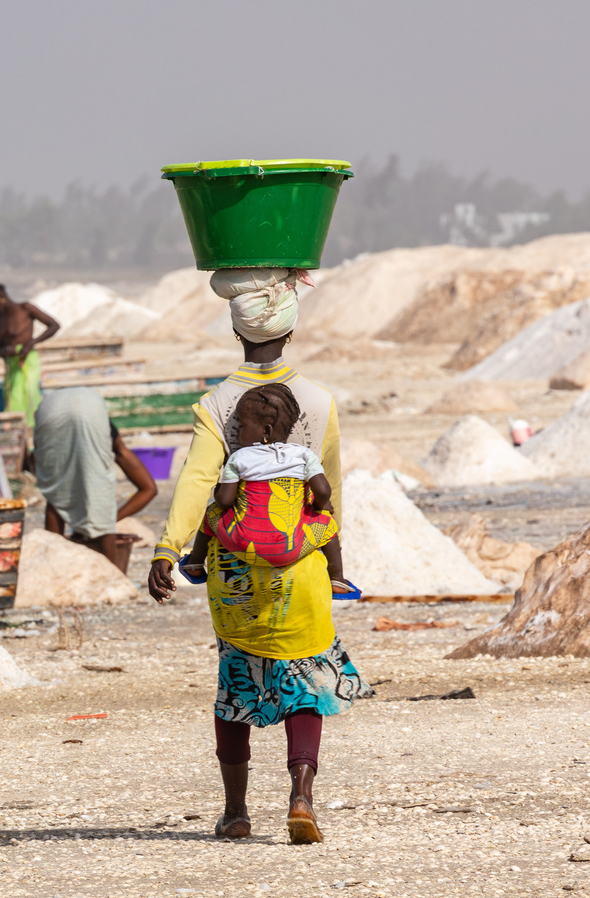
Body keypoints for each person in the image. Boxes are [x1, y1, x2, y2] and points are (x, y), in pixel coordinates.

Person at [146, 268, 369, 845]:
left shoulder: (218, 404)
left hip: (236, 572)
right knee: (305, 677)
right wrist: (330, 551)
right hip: (301, 568)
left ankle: (237, 811)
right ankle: (301, 797)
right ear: (291, 332)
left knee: (236, 683)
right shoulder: (319, 402)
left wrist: (169, 549)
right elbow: (333, 491)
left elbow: (198, 482)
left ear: (235, 328)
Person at [179, 382, 350, 593]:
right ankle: (337, 579)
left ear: (266, 431)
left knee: (211, 513)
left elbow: (224, 502)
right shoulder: (304, 455)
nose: (238, 431)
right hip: (290, 548)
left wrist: (218, 490)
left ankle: (195, 563)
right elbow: (324, 490)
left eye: (242, 425)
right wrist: (319, 507)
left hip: (244, 546)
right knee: (327, 525)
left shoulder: (239, 457)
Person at [32, 387, 158, 573]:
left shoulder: (103, 432)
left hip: (49, 409)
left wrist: (108, 519)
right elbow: (149, 488)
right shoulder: (107, 435)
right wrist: (108, 520)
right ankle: (112, 576)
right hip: (85, 406)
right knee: (99, 494)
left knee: (57, 495)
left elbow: (149, 490)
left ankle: (51, 570)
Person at [0, 283, 60, 423]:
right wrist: (6, 351)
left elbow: (54, 325)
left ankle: (35, 429)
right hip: (11, 364)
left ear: (1, 297)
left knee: (30, 395)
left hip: (28, 361)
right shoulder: (0, 319)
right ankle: (18, 431)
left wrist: (31, 343)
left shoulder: (25, 309)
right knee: (14, 397)